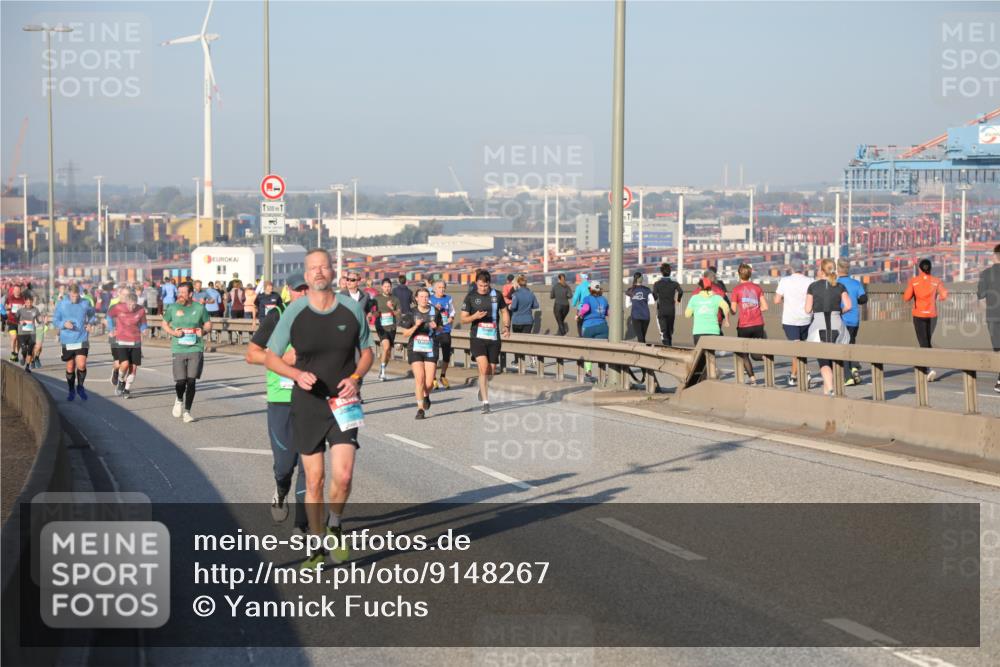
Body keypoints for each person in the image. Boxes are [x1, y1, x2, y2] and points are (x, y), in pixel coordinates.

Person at [264, 249, 375, 569]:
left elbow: (367, 352)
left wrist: (356, 376)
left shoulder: (351, 309)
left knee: (343, 474)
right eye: (313, 268)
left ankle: (335, 524)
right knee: (314, 480)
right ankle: (315, 547)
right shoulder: (294, 311)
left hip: (344, 400)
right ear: (307, 273)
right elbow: (272, 356)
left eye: (324, 267)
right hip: (308, 403)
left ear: (332, 271)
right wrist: (297, 374)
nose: (319, 272)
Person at [246, 273, 308, 534]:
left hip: (312, 400)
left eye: (308, 289)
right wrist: (283, 359)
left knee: (310, 466)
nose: (303, 295)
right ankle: (280, 491)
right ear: (288, 292)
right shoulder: (276, 316)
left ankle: (302, 523)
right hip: (281, 399)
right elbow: (251, 355)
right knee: (285, 465)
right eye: (298, 290)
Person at [460, 268, 511, 414]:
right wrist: (474, 316)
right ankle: (486, 403)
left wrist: (507, 326)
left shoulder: (497, 295)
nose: (483, 288)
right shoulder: (470, 297)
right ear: (476, 283)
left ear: (489, 284)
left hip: (494, 336)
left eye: (486, 286)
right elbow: (463, 319)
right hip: (478, 337)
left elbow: (504, 311)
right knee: (483, 368)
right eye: (481, 286)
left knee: (491, 371)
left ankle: (483, 388)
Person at [161, 281, 213, 422]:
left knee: (191, 381)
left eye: (183, 293)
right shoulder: (173, 307)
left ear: (191, 294)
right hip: (178, 348)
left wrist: (204, 331)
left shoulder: (200, 308)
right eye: (179, 292)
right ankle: (179, 399)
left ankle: (187, 412)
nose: (180, 295)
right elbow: (164, 323)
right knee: (180, 382)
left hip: (195, 348)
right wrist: (173, 333)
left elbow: (208, 324)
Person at [806, 259, 852, 396]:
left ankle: (830, 388)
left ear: (821, 270)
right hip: (837, 324)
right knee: (834, 359)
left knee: (824, 361)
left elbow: (807, 309)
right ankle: (827, 393)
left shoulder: (813, 286)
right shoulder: (840, 286)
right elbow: (848, 306)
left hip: (819, 325)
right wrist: (838, 312)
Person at [399, 287, 443, 419]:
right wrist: (416, 326)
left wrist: (437, 327)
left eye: (426, 296)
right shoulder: (411, 313)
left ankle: (425, 395)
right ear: (416, 298)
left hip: (430, 348)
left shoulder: (435, 311)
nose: (424, 299)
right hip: (415, 349)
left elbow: (442, 329)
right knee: (420, 379)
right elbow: (405, 334)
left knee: (429, 383)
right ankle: (420, 409)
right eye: (421, 297)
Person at [903, 258, 949, 382]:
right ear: (930, 268)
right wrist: (938, 298)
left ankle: (927, 368)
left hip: (919, 315)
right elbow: (945, 294)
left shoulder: (914, 281)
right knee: (927, 340)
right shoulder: (936, 281)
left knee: (923, 342)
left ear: (919, 269)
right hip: (932, 316)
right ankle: (925, 366)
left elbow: (906, 298)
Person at [53, 284, 97, 401]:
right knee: (70, 366)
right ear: (69, 294)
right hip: (67, 338)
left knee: (81, 364)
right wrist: (63, 324)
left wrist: (90, 323)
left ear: (79, 294)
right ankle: (71, 389)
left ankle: (81, 387)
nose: (74, 299)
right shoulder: (62, 304)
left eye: (76, 296)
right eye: (72, 296)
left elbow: (93, 315)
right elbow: (55, 320)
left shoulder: (85, 303)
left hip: (81, 337)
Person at [774, 258, 813, 386]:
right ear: (803, 268)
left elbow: (776, 300)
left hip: (790, 320)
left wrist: (787, 299)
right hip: (806, 319)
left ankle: (797, 375)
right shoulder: (810, 281)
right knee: (802, 348)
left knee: (796, 349)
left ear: (791, 268)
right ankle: (796, 374)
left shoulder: (785, 281)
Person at [730, 263, 768, 385]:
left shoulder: (736, 290)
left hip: (744, 326)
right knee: (757, 353)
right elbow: (765, 307)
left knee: (744, 354)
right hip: (758, 324)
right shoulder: (757, 288)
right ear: (750, 274)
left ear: (739, 274)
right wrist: (755, 309)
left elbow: (734, 311)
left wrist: (728, 309)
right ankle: (766, 358)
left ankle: (753, 379)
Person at [107, 290, 147, 398]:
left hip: (135, 341)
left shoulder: (141, 310)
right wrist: (111, 329)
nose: (131, 307)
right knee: (123, 364)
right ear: (126, 302)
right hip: (121, 340)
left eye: (134, 305)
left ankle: (127, 389)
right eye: (129, 304)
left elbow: (143, 323)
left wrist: (144, 330)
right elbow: (109, 316)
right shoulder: (118, 307)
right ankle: (120, 381)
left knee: (133, 367)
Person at [836, 258, 868, 386]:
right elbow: (864, 299)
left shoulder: (835, 284)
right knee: (851, 344)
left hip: (840, 319)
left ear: (838, 269)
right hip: (854, 320)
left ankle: (848, 376)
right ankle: (854, 367)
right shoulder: (856, 283)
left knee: (842, 347)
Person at [976, 243, 1000, 393]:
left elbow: (981, 295)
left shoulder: (985, 274)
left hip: (993, 317)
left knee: (998, 349)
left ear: (994, 256)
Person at [685, 277, 729, 346]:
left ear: (700, 287)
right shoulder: (717, 298)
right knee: (711, 353)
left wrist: (696, 312)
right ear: (710, 286)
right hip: (714, 331)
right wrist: (726, 320)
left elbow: (687, 315)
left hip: (698, 331)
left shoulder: (694, 298)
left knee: (700, 355)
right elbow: (726, 307)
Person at [429, 280, 456, 388]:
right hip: (434, 331)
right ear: (434, 289)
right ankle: (433, 378)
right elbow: (427, 314)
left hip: (445, 330)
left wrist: (451, 318)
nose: (442, 289)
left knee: (446, 355)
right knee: (434, 356)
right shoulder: (430, 299)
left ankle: (443, 376)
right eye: (439, 287)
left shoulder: (448, 298)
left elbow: (452, 311)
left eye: (443, 287)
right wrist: (436, 309)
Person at [373, 278, 401, 381]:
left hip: (391, 326)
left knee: (388, 351)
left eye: (389, 286)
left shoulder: (395, 299)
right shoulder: (376, 299)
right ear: (382, 287)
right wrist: (377, 313)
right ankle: (383, 373)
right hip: (380, 325)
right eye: (385, 286)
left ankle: (382, 368)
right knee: (386, 346)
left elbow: (398, 314)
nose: (387, 288)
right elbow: (373, 313)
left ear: (391, 287)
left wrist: (392, 308)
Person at [510, 274, 539, 369]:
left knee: (517, 342)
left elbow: (513, 307)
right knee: (527, 341)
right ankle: (533, 358)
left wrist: (510, 307)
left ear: (518, 283)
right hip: (528, 320)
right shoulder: (531, 293)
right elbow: (536, 306)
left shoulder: (516, 294)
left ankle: (517, 361)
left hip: (517, 320)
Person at [652, 263, 683, 346]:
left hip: (661, 310)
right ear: (670, 272)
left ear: (661, 272)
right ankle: (669, 346)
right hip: (671, 310)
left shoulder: (657, 284)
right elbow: (680, 292)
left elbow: (654, 296)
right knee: (670, 330)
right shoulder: (674, 284)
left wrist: (656, 298)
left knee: (663, 331)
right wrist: (678, 300)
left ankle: (667, 347)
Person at [15, 293, 42, 372]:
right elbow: (15, 319)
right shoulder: (20, 310)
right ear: (25, 302)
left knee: (30, 350)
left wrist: (42, 321)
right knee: (24, 350)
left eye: (30, 302)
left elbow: (39, 320)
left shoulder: (35, 310)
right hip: (22, 333)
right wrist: (20, 321)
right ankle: (23, 357)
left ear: (32, 302)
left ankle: (27, 366)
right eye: (27, 302)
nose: (29, 304)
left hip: (32, 333)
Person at [625, 272, 654, 344]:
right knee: (642, 337)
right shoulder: (647, 289)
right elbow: (652, 302)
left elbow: (627, 305)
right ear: (642, 279)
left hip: (636, 316)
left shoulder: (630, 290)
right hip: (646, 316)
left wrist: (635, 301)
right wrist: (643, 301)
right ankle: (644, 351)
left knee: (640, 338)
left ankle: (643, 352)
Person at [5, 284, 26, 362]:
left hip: (20, 322)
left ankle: (16, 354)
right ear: (13, 291)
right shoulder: (9, 298)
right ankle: (13, 353)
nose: (17, 291)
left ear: (20, 291)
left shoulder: (23, 299)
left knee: (19, 340)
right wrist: (8, 307)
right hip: (11, 321)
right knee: (14, 338)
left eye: (18, 290)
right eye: (15, 290)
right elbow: (6, 306)